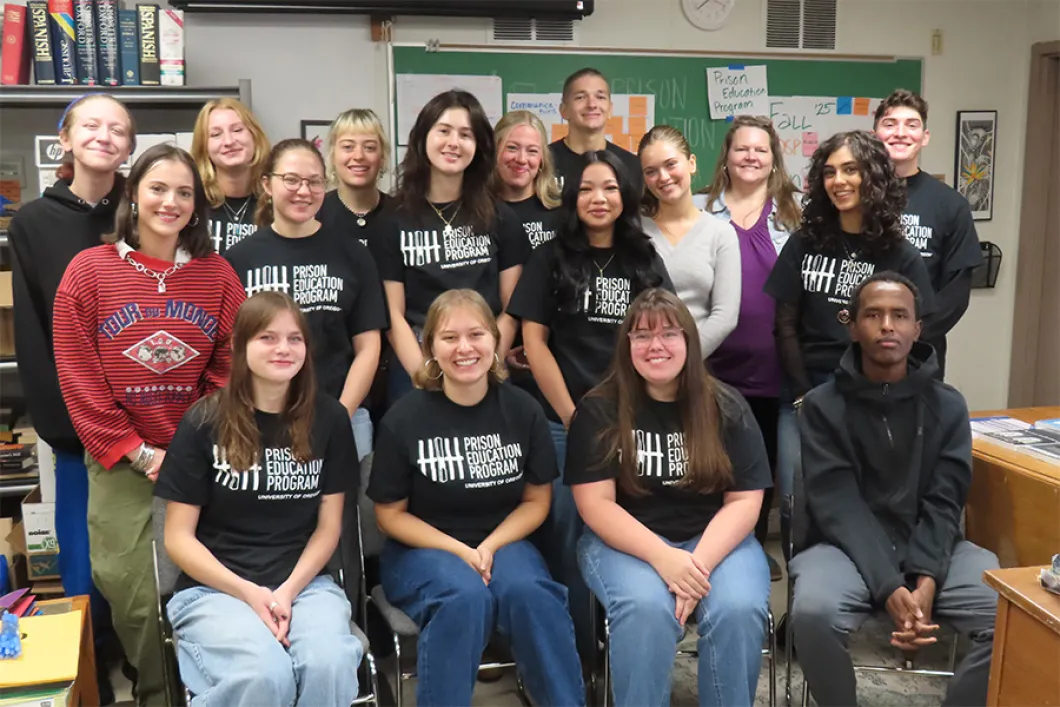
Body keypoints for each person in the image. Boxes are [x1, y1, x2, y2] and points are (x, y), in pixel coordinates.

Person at [52, 143, 246, 706]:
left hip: (200, 459)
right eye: (158, 188)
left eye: (184, 192)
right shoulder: (89, 272)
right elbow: (79, 377)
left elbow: (228, 368)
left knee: (209, 589)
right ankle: (159, 695)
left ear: (197, 204)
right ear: (132, 194)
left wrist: (189, 448)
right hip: (120, 462)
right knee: (135, 596)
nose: (171, 201)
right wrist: (139, 453)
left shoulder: (216, 275)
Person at [367, 289, 584, 707]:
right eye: (449, 338)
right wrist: (460, 551)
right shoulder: (404, 418)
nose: (464, 348)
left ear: (495, 341)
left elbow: (536, 502)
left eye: (477, 334)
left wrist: (487, 547)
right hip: (421, 550)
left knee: (533, 594)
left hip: (503, 542)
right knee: (464, 597)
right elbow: (388, 517)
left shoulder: (523, 410)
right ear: (430, 347)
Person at [791, 272, 998, 707]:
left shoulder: (949, 405)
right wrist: (889, 587)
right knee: (811, 613)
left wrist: (926, 581)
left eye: (900, 315)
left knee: (1015, 614)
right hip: (842, 548)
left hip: (930, 545)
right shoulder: (820, 407)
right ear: (853, 326)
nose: (888, 325)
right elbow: (838, 505)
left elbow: (946, 501)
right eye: (874, 314)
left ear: (917, 328)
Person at [156, 291, 364, 707]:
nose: (284, 349)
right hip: (214, 591)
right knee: (264, 675)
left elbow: (329, 529)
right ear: (240, 346)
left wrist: (285, 592)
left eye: (294, 339)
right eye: (268, 338)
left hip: (305, 586)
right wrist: (249, 593)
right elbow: (178, 538)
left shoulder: (330, 419)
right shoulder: (203, 420)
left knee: (331, 663)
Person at [566, 289, 772, 707]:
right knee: (645, 609)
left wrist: (696, 568)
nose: (655, 346)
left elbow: (746, 502)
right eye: (641, 336)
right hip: (625, 543)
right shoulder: (598, 409)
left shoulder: (727, 406)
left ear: (689, 343)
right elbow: (595, 506)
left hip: (714, 540)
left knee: (738, 608)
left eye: (669, 334)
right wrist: (664, 558)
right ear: (626, 346)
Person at [507, 148, 673, 661]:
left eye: (609, 189)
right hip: (565, 419)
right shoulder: (551, 256)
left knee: (631, 534)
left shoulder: (644, 257)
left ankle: (624, 644)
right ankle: (574, 655)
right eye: (587, 189)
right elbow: (534, 343)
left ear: (625, 196)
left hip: (634, 422)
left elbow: (665, 337)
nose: (598, 199)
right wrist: (573, 415)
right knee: (566, 538)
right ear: (572, 198)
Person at [8, 93, 136, 703]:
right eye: (91, 125)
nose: (104, 136)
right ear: (65, 139)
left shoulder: (143, 211)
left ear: (129, 147)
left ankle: (147, 659)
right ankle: (91, 670)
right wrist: (63, 424)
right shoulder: (33, 222)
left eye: (118, 129)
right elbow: (34, 331)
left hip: (145, 419)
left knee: (142, 553)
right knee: (84, 558)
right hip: (75, 425)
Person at [764, 130, 935, 539]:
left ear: (873, 176)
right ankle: (802, 598)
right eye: (829, 172)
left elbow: (915, 335)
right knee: (797, 500)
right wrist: (805, 394)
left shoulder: (899, 253)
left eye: (850, 170)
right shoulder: (804, 243)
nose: (838, 180)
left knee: (862, 502)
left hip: (873, 398)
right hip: (805, 396)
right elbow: (784, 323)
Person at [224, 139, 387, 462]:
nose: (304, 190)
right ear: (267, 184)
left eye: (314, 182)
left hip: (343, 414)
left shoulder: (353, 253)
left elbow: (368, 346)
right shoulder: (238, 260)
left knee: (346, 512)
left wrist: (339, 414)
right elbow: (231, 348)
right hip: (259, 418)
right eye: (291, 180)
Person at [371, 90, 529, 407]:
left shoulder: (502, 218)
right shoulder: (392, 220)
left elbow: (511, 308)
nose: (453, 143)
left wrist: (487, 363)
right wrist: (424, 374)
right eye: (443, 131)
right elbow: (393, 314)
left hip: (484, 359)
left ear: (479, 146)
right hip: (417, 361)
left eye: (466, 134)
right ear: (422, 137)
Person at [701, 115, 802, 580]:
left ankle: (751, 555)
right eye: (742, 149)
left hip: (774, 367)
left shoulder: (794, 217)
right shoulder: (702, 214)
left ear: (773, 159)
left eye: (760, 150)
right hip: (713, 367)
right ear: (727, 156)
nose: (751, 157)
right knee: (711, 468)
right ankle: (707, 556)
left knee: (759, 469)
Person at [874, 90, 983, 378]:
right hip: (854, 354)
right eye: (889, 124)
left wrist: (909, 336)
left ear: (925, 137)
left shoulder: (950, 205)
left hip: (920, 358)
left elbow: (956, 294)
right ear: (874, 134)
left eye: (911, 125)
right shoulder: (852, 197)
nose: (900, 133)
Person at [638, 125, 741, 358]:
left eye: (671, 164)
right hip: (639, 365)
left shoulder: (721, 234)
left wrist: (682, 358)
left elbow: (725, 315)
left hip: (695, 365)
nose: (663, 177)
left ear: (691, 163)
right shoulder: (633, 231)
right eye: (651, 171)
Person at [491, 109, 563, 390]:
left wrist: (534, 347)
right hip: (490, 350)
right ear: (495, 150)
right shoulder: (479, 213)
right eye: (512, 148)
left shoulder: (561, 216)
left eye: (532, 151)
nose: (522, 159)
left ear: (542, 158)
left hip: (551, 353)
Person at [191, 98, 271, 255]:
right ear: (204, 147)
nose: (228, 141)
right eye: (216, 134)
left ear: (255, 136)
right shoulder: (191, 204)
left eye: (237, 130)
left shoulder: (275, 200)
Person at [549, 67, 644, 196]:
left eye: (600, 97)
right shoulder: (543, 162)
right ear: (563, 110)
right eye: (580, 97)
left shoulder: (631, 166)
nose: (592, 104)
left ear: (610, 109)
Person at [317, 108, 394, 250]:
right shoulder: (314, 215)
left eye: (369, 147)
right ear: (333, 155)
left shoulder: (402, 215)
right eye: (348, 147)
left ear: (382, 157)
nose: (359, 156)